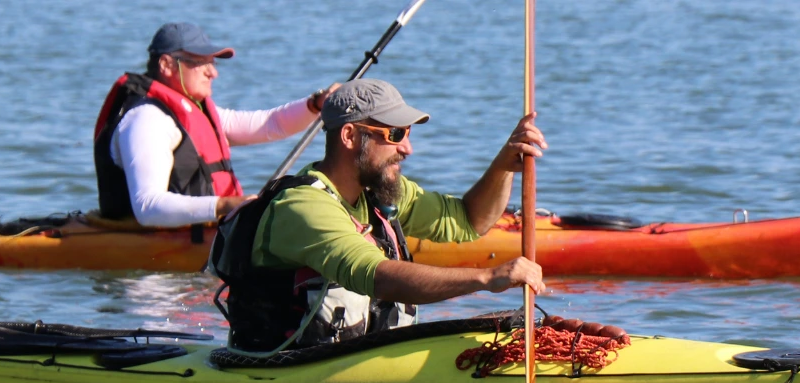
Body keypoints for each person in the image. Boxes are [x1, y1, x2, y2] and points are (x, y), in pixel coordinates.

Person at [211, 79, 548, 354]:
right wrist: (486, 279)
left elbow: (468, 220)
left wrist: (506, 162)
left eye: (408, 134)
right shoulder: (303, 208)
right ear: (349, 136)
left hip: (358, 361)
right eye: (395, 135)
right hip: (287, 373)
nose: (407, 149)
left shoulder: (378, 192)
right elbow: (377, 275)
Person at [91, 22, 336, 228]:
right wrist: (224, 205)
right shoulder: (147, 121)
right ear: (166, 64)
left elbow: (270, 125)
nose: (213, 73)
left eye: (213, 63)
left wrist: (316, 104)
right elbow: (147, 207)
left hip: (201, 238)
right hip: (154, 274)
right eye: (200, 63)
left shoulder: (196, 112)